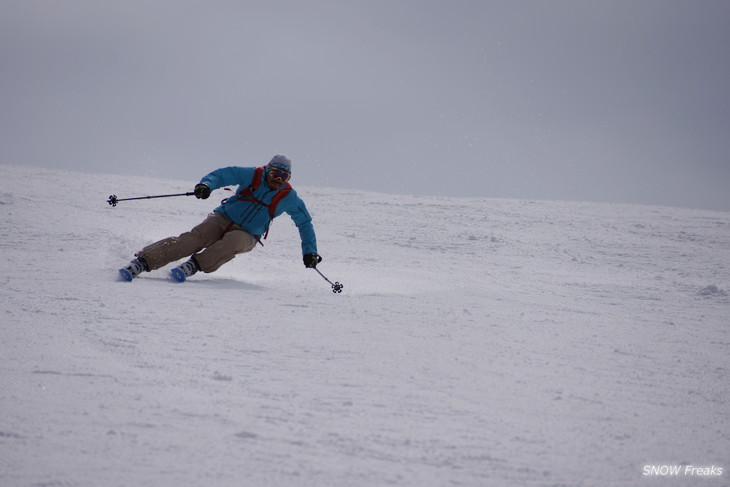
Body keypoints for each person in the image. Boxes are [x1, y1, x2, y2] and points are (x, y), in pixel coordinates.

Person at [118, 155, 321, 282]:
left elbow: (305, 223)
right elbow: (223, 175)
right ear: (267, 169)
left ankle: (194, 265)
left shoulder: (289, 197)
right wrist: (206, 185)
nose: (277, 181)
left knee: (232, 242)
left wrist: (309, 252)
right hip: (223, 218)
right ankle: (142, 262)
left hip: (248, 234)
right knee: (192, 239)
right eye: (275, 174)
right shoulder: (253, 175)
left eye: (283, 178)